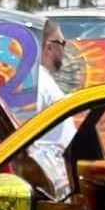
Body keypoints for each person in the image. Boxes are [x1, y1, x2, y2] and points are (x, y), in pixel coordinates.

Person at [35, 18, 76, 148]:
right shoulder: (39, 83)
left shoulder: (41, 79)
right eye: (62, 43)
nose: (64, 50)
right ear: (49, 48)